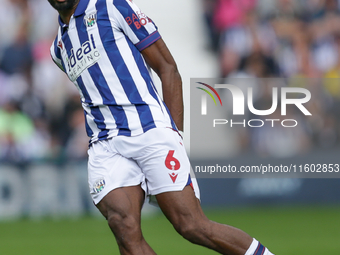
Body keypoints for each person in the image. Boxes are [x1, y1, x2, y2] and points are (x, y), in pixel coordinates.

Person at [47, 0, 274, 254]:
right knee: (125, 231)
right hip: (105, 144)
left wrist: (174, 133)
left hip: (149, 130)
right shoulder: (58, 48)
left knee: (191, 225)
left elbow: (167, 67)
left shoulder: (112, 6)